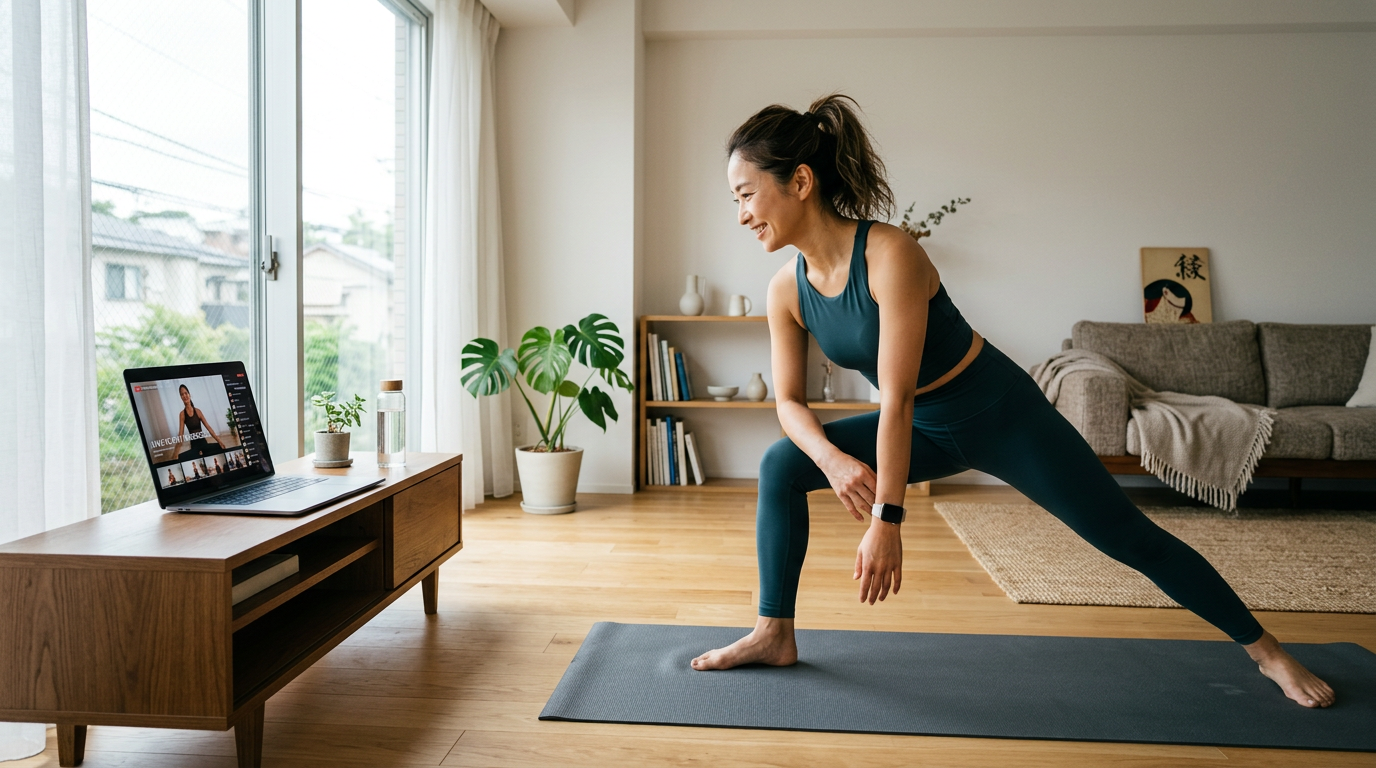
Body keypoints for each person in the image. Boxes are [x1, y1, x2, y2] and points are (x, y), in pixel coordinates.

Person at [689, 93, 1335, 709]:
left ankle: (1268, 651)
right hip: (930, 429)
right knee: (782, 463)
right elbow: (790, 405)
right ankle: (774, 631)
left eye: (746, 194)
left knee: (1129, 537)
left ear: (800, 182)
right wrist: (830, 461)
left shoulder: (890, 255)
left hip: (1000, 413)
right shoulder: (785, 290)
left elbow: (898, 398)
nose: (741, 213)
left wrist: (888, 518)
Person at [176, 384, 226, 458]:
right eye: (182, 394)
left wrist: (219, 441)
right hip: (194, 445)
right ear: (181, 397)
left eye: (186, 393)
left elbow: (208, 427)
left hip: (203, 443)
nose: (184, 396)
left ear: (189, 394)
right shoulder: (182, 414)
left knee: (219, 447)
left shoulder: (198, 411)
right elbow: (180, 434)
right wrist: (176, 452)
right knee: (181, 457)